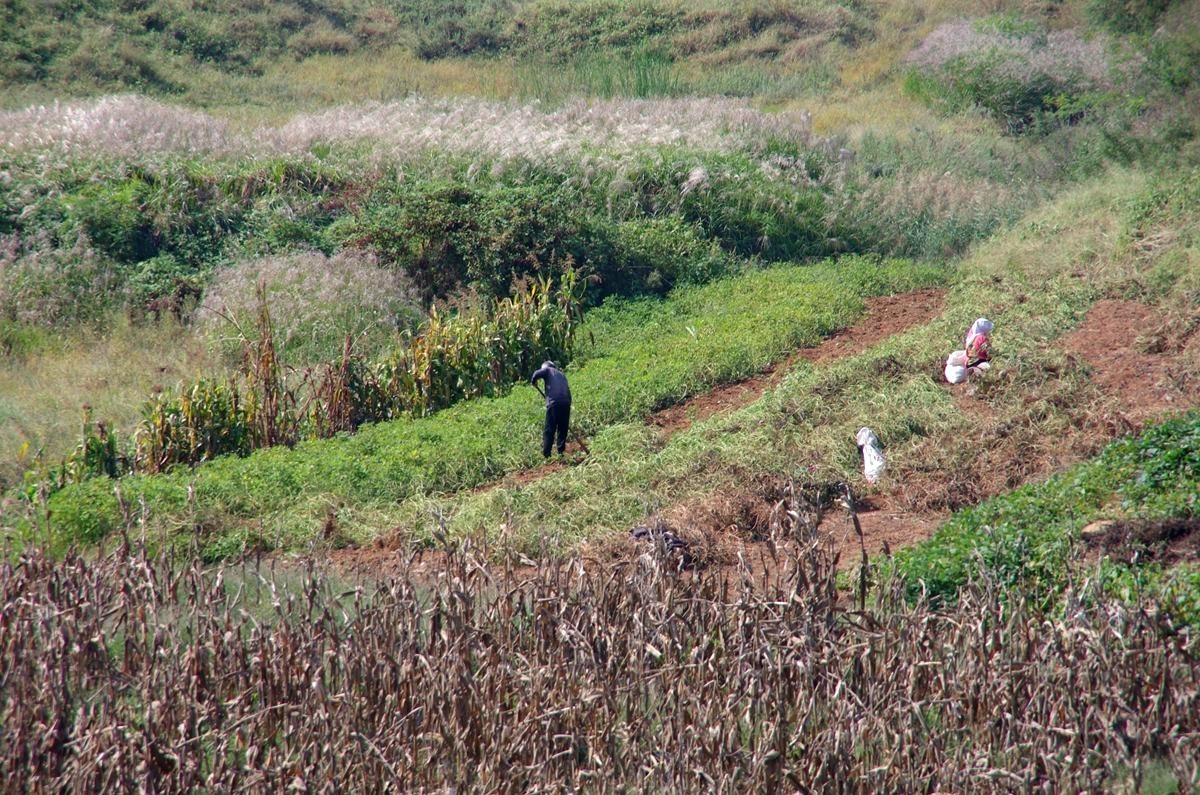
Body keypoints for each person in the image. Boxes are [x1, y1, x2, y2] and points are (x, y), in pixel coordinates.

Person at [530, 360, 571, 458]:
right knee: (562, 428)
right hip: (566, 403)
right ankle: (560, 452)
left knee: (549, 429)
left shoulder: (547, 370)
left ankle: (546, 454)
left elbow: (536, 373)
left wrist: (533, 381)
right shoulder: (561, 374)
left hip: (554, 403)